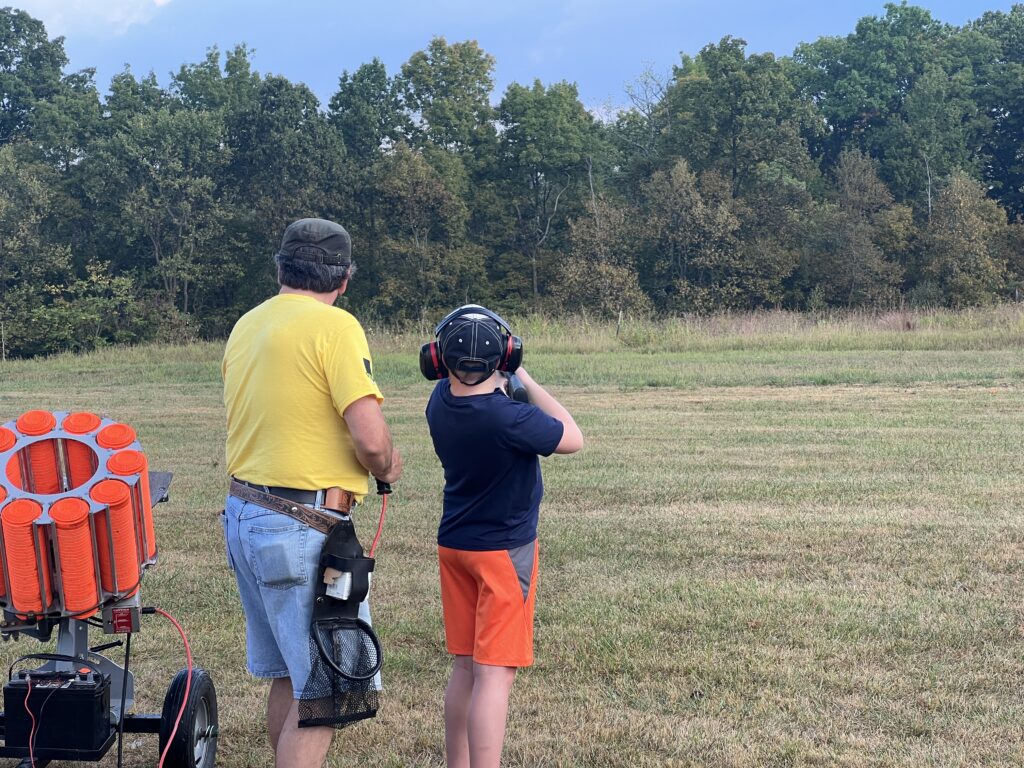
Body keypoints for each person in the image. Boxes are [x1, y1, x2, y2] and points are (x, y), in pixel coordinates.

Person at [221, 217, 402, 768]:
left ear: (280, 268)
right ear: (344, 279)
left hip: (246, 512)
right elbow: (370, 439)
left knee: (289, 676)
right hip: (304, 526)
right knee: (329, 694)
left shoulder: (246, 324)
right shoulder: (337, 327)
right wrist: (389, 467)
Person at [424, 305, 583, 768]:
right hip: (502, 554)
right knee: (496, 676)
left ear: (438, 358)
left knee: (467, 667)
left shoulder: (439, 401)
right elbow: (572, 436)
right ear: (505, 355)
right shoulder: (508, 418)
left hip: (454, 546)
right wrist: (526, 380)